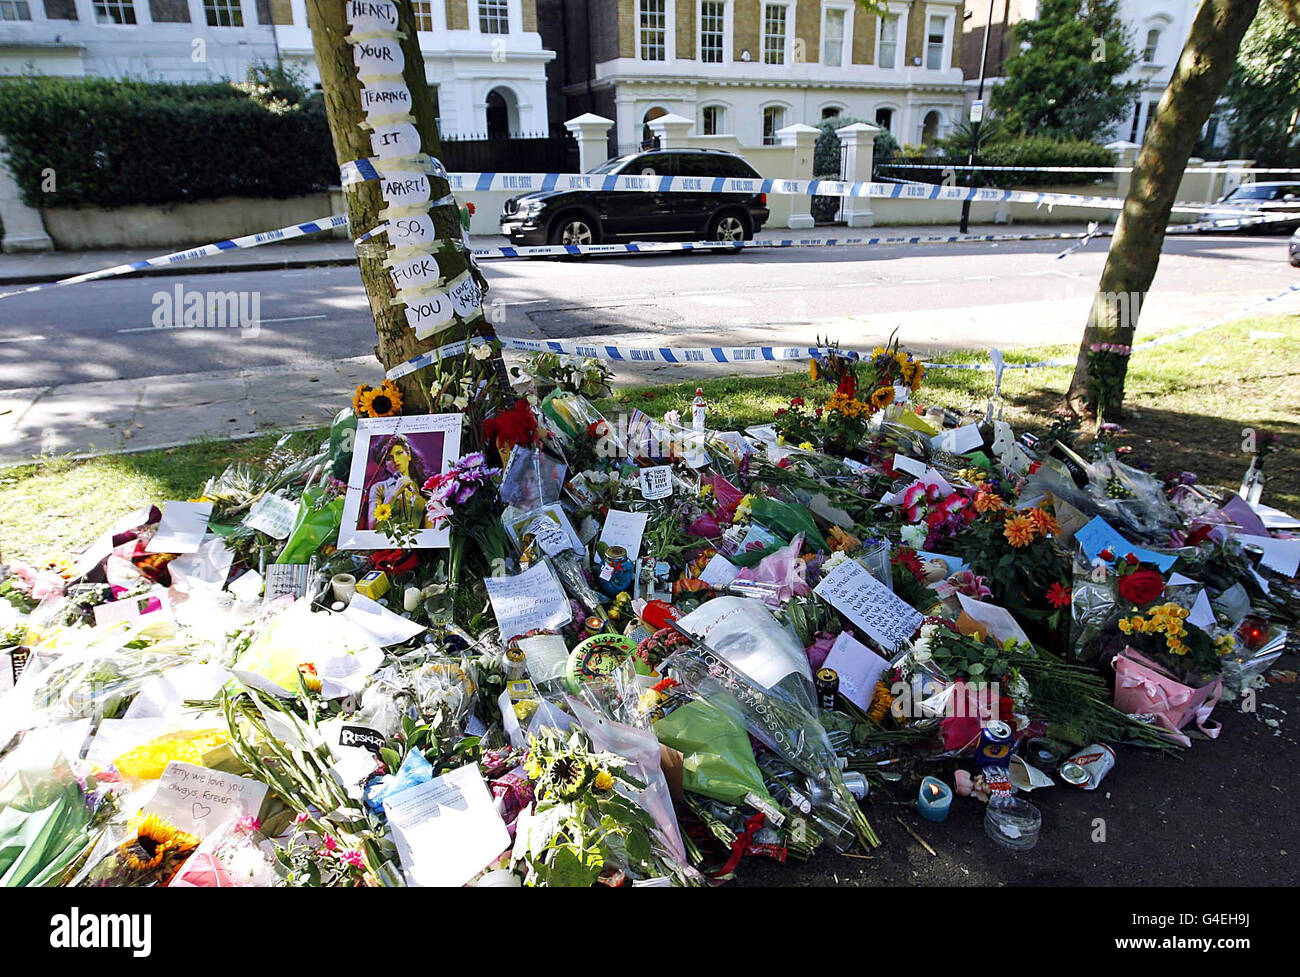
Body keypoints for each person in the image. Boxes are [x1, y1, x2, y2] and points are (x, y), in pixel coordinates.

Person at [365, 434, 432, 530]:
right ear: (385, 465)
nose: (395, 460)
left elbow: (430, 528)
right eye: (389, 458)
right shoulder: (379, 488)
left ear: (408, 454)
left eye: (399, 453)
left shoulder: (423, 487)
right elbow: (373, 527)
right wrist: (393, 494)